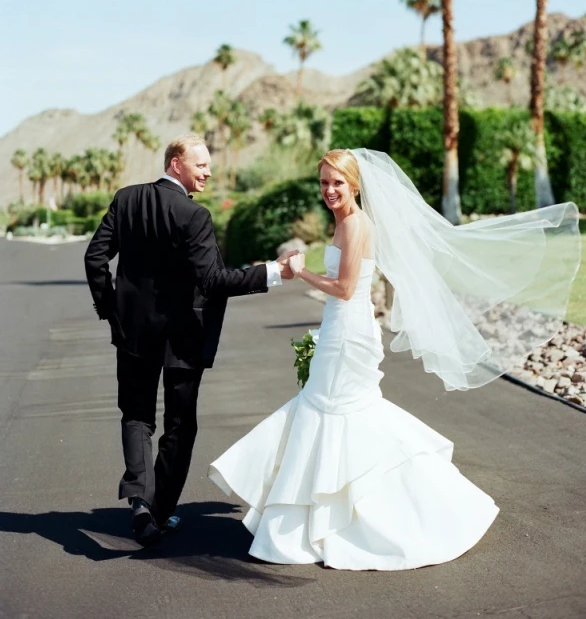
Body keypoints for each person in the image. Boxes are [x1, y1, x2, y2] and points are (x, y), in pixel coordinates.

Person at [209, 148, 580, 570]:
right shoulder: (344, 222)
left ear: (355, 185)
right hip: (341, 329)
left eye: (337, 183)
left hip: (348, 332)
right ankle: (326, 518)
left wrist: (299, 272)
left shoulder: (356, 224)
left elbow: (346, 289)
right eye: (324, 182)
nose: (329, 190)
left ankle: (362, 517)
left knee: (334, 413)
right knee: (332, 414)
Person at [84, 134, 296, 546]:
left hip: (133, 334)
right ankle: (158, 512)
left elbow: (95, 257)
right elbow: (214, 281)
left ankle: (141, 505)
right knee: (180, 424)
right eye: (201, 165)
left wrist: (111, 308)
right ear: (176, 163)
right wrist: (272, 272)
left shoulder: (126, 199)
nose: (208, 172)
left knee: (136, 415)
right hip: (182, 337)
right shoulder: (193, 216)